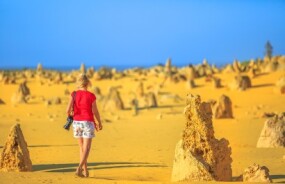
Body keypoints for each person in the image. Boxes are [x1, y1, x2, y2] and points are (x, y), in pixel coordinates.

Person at [66, 73, 103, 177]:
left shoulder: (73, 94)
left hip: (77, 122)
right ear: (87, 83)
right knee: (86, 148)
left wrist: (71, 115)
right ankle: (79, 168)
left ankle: (85, 171)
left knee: (81, 148)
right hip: (88, 122)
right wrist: (99, 122)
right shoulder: (91, 96)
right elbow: (95, 111)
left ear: (79, 83)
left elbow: (67, 110)